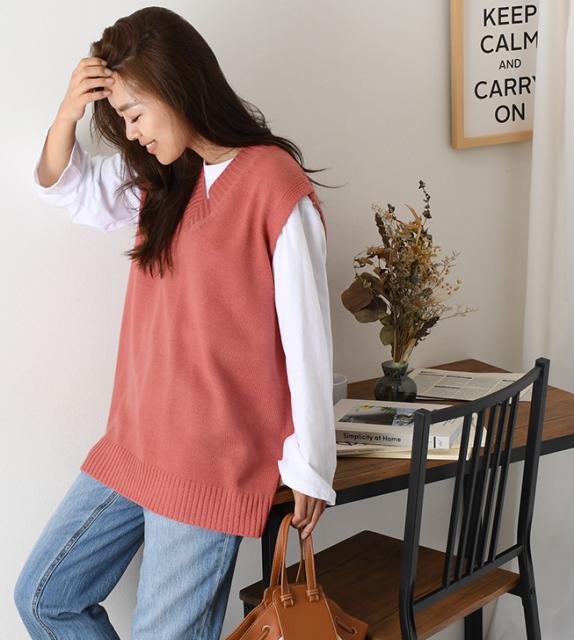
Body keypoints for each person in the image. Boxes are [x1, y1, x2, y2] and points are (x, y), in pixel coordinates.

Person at [13, 7, 337, 639]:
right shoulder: (165, 178)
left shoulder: (272, 182)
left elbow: (308, 339)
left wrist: (311, 465)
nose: (132, 134)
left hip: (209, 462)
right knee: (46, 596)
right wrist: (67, 114)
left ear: (177, 86)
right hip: (135, 442)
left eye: (135, 114)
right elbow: (63, 187)